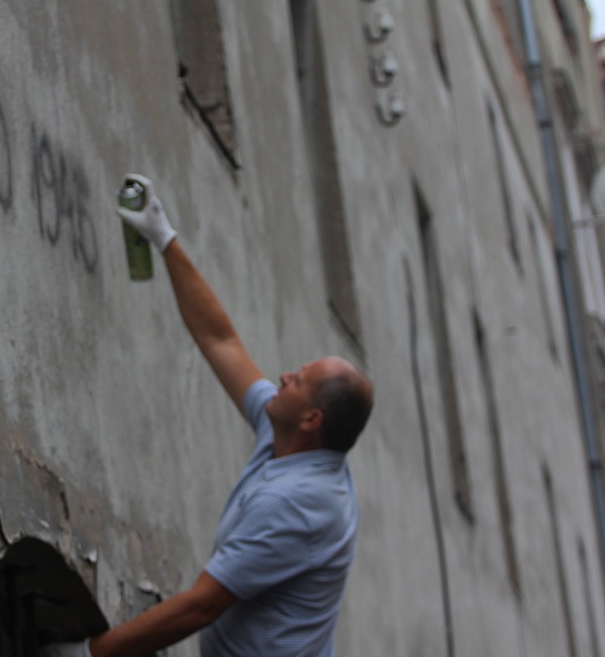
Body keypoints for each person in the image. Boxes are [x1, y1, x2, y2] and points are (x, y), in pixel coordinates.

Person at [40, 175, 374, 657]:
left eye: (297, 381)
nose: (281, 377)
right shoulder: (286, 434)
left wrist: (89, 655)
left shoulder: (297, 504)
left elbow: (202, 605)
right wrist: (164, 238)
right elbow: (221, 341)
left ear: (311, 421)